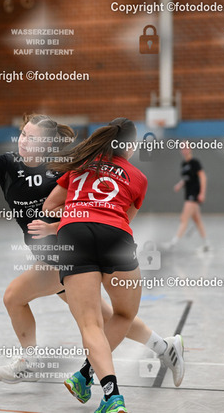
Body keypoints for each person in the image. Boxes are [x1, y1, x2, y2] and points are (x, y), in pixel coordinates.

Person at [0, 108, 184, 402]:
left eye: (32, 138)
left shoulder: (64, 166)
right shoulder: (8, 166)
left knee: (15, 297)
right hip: (55, 255)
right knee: (110, 317)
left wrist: (54, 227)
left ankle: (31, 361)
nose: (24, 141)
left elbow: (89, 209)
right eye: (23, 134)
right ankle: (165, 347)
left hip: (70, 252)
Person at [43, 117, 148, 413]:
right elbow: (125, 217)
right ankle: (86, 377)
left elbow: (49, 207)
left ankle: (107, 392)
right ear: (129, 146)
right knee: (125, 314)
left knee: (91, 324)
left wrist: (78, 209)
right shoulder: (138, 177)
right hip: (116, 237)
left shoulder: (79, 166)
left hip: (74, 234)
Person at [164, 147, 209, 251]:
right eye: (182, 148)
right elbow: (186, 179)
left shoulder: (195, 163)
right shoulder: (184, 164)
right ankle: (206, 244)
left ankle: (173, 243)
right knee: (197, 220)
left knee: (184, 218)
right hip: (188, 194)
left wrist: (202, 193)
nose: (184, 150)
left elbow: (203, 177)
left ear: (190, 149)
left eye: (186, 148)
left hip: (193, 195)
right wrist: (179, 185)